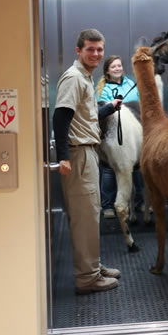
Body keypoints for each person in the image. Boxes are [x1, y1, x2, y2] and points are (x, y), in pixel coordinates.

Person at [53, 29, 122, 294]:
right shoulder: (73, 78)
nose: (95, 54)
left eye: (99, 49)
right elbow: (60, 118)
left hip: (87, 152)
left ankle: (93, 265)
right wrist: (63, 157)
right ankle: (87, 277)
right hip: (78, 155)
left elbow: (85, 117)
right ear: (78, 51)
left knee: (91, 214)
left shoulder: (85, 77)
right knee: (85, 217)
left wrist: (109, 107)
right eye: (90, 49)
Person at [96, 55, 144, 219]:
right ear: (107, 71)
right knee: (109, 170)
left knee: (137, 170)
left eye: (119, 65)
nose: (117, 68)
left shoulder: (131, 83)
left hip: (132, 133)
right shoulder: (103, 89)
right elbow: (103, 111)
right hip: (113, 134)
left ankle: (140, 203)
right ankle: (108, 205)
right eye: (113, 66)